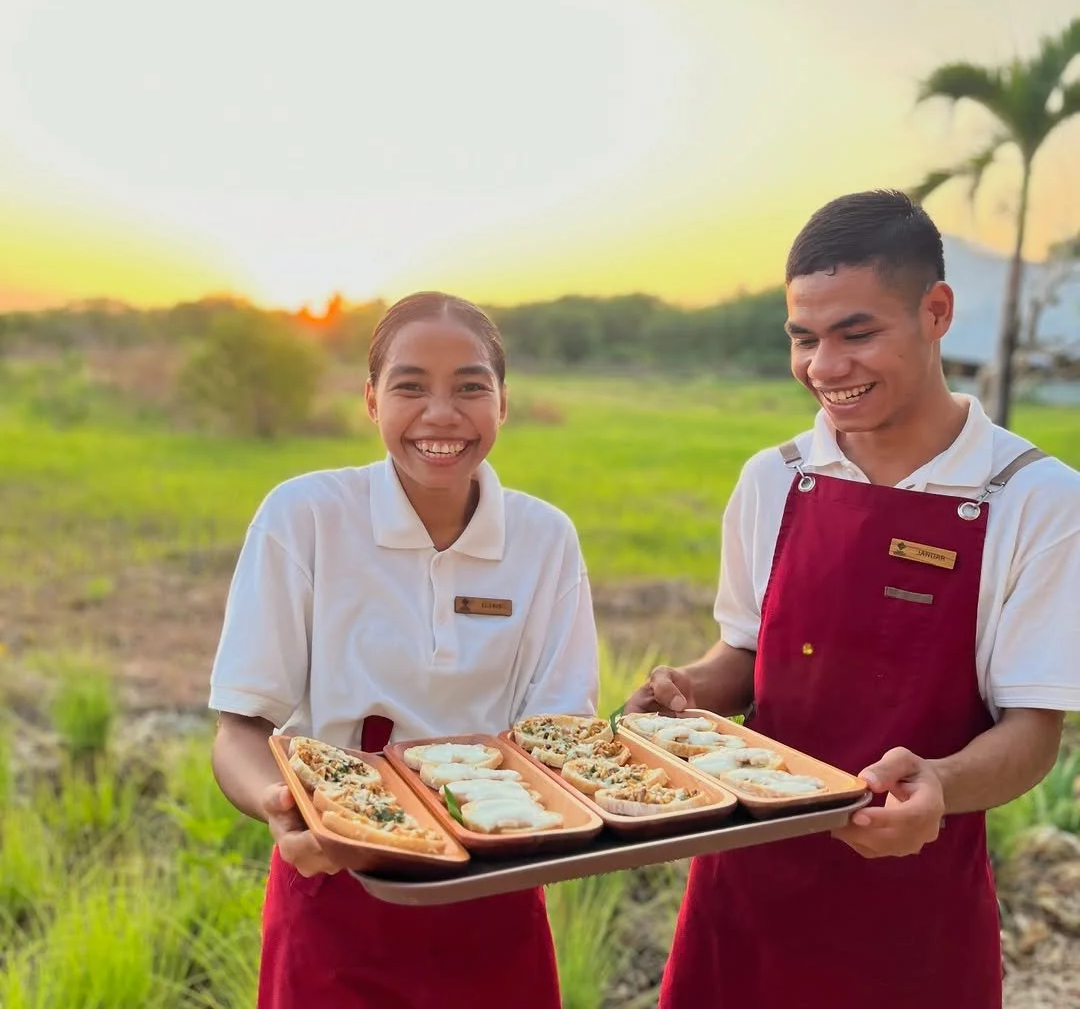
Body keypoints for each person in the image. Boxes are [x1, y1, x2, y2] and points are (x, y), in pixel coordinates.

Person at [624, 190, 1080, 1009]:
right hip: (745, 893)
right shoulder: (775, 478)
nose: (825, 367)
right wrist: (689, 692)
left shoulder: (1035, 499)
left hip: (912, 910)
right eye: (804, 338)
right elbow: (745, 654)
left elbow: (1033, 732)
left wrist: (937, 784)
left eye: (857, 333)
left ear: (936, 312)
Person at [208, 291, 600, 1009]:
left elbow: (561, 735)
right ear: (371, 400)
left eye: (471, 387)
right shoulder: (306, 518)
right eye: (410, 386)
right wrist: (283, 804)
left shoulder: (544, 540)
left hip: (496, 874)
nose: (441, 414)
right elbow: (241, 727)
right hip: (339, 874)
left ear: (504, 403)